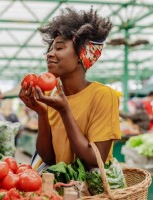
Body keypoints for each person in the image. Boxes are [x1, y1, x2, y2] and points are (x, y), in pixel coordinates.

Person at [19, 8, 121, 170]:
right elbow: (48, 157)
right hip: (61, 189)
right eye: (50, 49)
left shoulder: (103, 95)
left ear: (82, 54)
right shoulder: (51, 95)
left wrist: (64, 111)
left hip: (91, 192)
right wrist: (42, 113)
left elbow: (95, 161)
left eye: (59, 48)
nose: (49, 54)